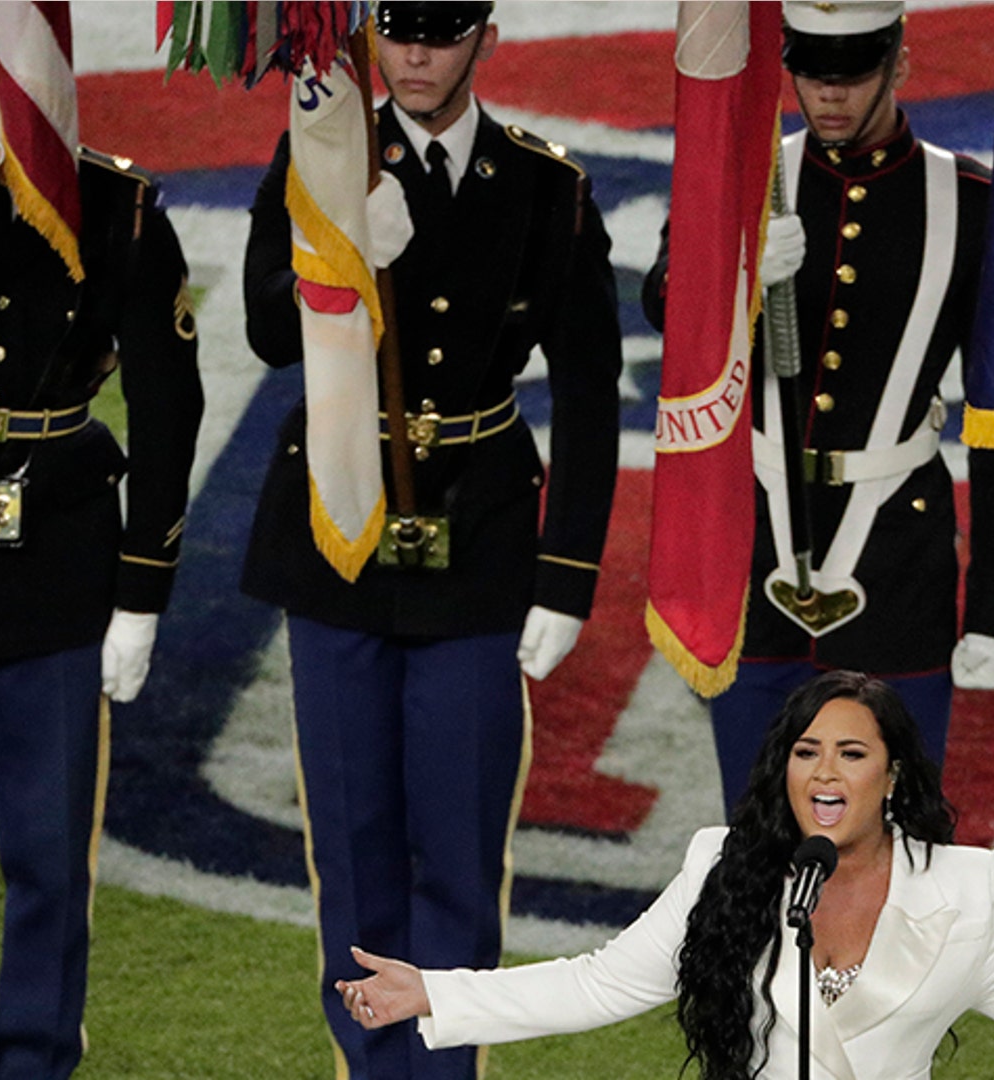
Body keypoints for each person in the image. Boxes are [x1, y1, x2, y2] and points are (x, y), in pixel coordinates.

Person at [239, 2, 623, 1076]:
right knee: (357, 859)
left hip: (481, 539)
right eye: (398, 29)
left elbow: (591, 391)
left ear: (483, 38)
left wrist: (568, 577)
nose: (413, 53)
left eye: (440, 32)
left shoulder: (546, 187)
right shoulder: (323, 153)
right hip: (341, 535)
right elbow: (270, 330)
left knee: (457, 856)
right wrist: (340, 258)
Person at [335, 671, 994, 1079]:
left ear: (891, 777)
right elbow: (605, 980)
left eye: (852, 755)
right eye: (808, 752)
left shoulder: (962, 897)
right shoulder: (724, 871)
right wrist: (439, 992)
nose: (825, 774)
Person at [0, 3, 203, 1076]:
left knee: (53, 862)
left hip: (57, 562)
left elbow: (168, 404)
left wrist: (143, 585)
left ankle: (36, 1065)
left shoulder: (120, 208)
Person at [641, 0, 994, 813]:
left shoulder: (967, 203)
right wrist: (735, 279)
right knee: (755, 838)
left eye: (853, 73)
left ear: (900, 62)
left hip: (897, 558)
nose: (830, 95)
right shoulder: (747, 179)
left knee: (897, 842)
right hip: (755, 548)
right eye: (813, 74)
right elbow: (661, 302)